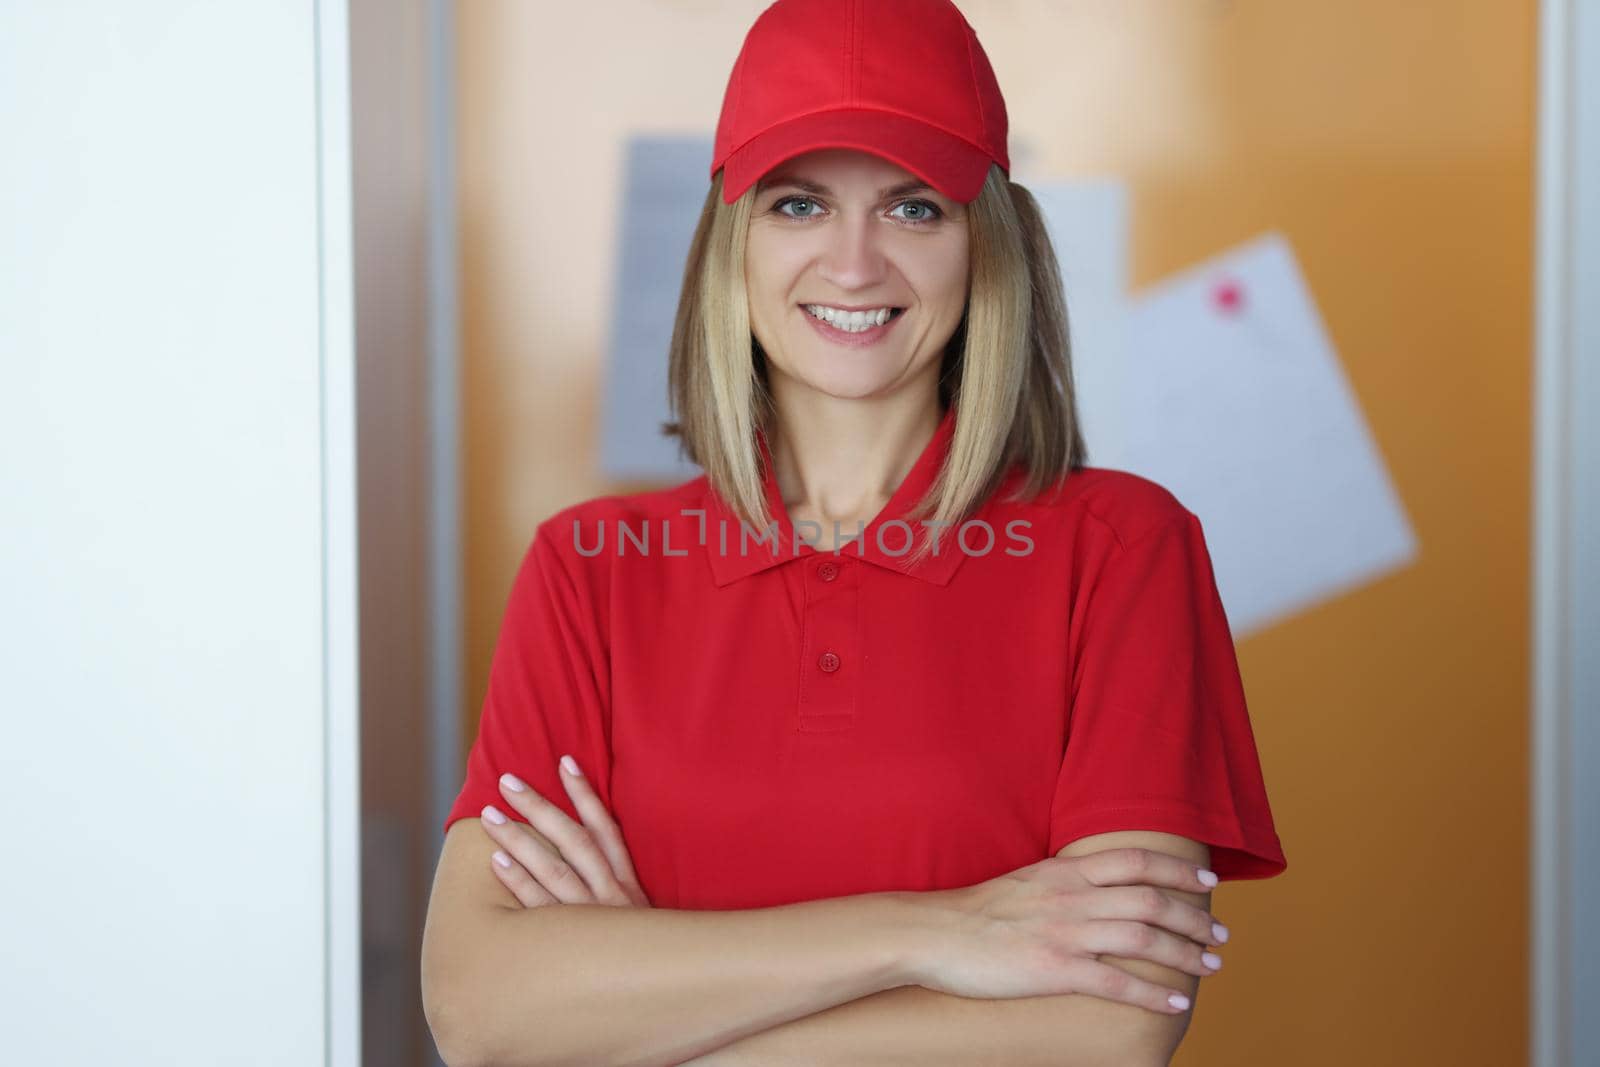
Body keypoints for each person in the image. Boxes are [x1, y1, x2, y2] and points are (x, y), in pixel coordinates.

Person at [421, 1, 1287, 1064]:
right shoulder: (590, 569)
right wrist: (942, 933)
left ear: (988, 247)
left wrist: (636, 1007)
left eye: (915, 209)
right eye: (798, 204)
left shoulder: (1119, 547)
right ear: (731, 242)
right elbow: (476, 1008)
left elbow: (1108, 1026)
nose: (854, 262)